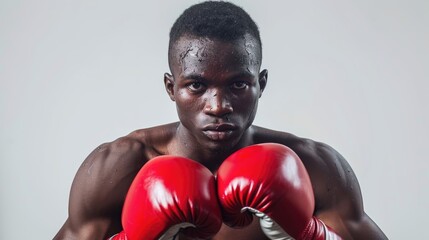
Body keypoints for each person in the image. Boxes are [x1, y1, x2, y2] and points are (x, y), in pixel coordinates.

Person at [54, 1, 387, 239]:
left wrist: (313, 237)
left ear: (262, 84)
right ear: (172, 88)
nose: (217, 106)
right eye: (197, 85)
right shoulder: (116, 168)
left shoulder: (314, 168)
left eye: (238, 84)